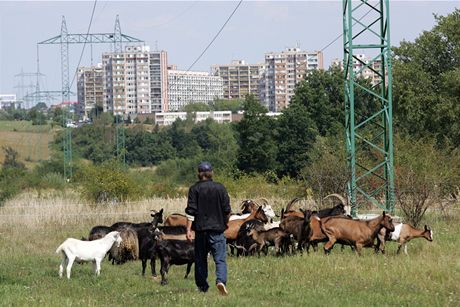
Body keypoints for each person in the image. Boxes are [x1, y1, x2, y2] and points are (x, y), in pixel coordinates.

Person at [185, 161, 231, 296]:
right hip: (217, 230)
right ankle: (221, 281)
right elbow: (227, 210)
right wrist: (225, 222)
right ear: (211, 173)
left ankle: (202, 287)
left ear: (199, 174)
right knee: (220, 259)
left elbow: (191, 211)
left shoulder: (194, 189)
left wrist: (188, 230)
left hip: (201, 231)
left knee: (200, 259)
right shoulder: (220, 188)